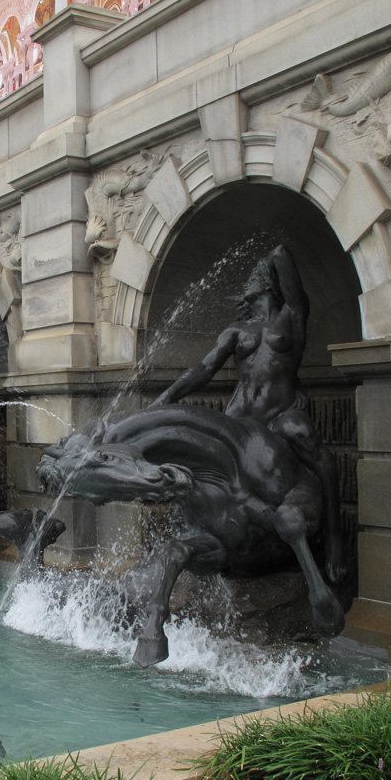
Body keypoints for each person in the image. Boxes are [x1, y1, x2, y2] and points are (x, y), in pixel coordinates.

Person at [151, 244, 345, 583]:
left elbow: (284, 254)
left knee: (311, 444)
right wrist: (165, 398)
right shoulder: (236, 330)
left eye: (253, 277)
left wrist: (269, 258)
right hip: (239, 419)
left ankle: (334, 539)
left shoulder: (292, 316)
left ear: (268, 284)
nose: (245, 284)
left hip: (279, 416)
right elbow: (204, 369)